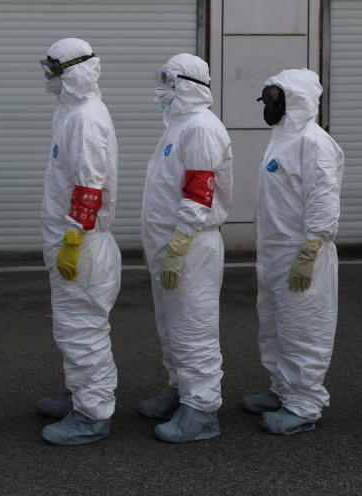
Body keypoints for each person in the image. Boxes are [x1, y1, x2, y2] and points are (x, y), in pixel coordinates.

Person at [243, 68, 344, 435]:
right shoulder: (282, 138)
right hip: (274, 252)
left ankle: (304, 403)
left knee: (303, 328)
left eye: (275, 98)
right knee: (274, 326)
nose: (269, 105)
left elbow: (323, 200)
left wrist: (310, 249)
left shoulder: (313, 142)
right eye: (268, 98)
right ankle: (282, 389)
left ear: (296, 99)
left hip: (302, 252)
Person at [138, 53, 233, 443]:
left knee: (194, 327)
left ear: (187, 85)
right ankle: (180, 389)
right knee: (172, 324)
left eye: (169, 82)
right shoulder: (179, 127)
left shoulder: (202, 128)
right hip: (172, 244)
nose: (162, 89)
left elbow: (199, 192)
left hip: (191, 246)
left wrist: (178, 243)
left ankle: (202, 410)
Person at [35, 38, 121, 446]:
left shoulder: (86, 118)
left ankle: (92, 414)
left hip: (81, 243)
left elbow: (91, 184)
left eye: (54, 70)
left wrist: (73, 236)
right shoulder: (71, 113)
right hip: (72, 238)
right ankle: (78, 395)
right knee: (71, 327)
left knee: (83, 328)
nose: (48, 78)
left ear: (72, 72)